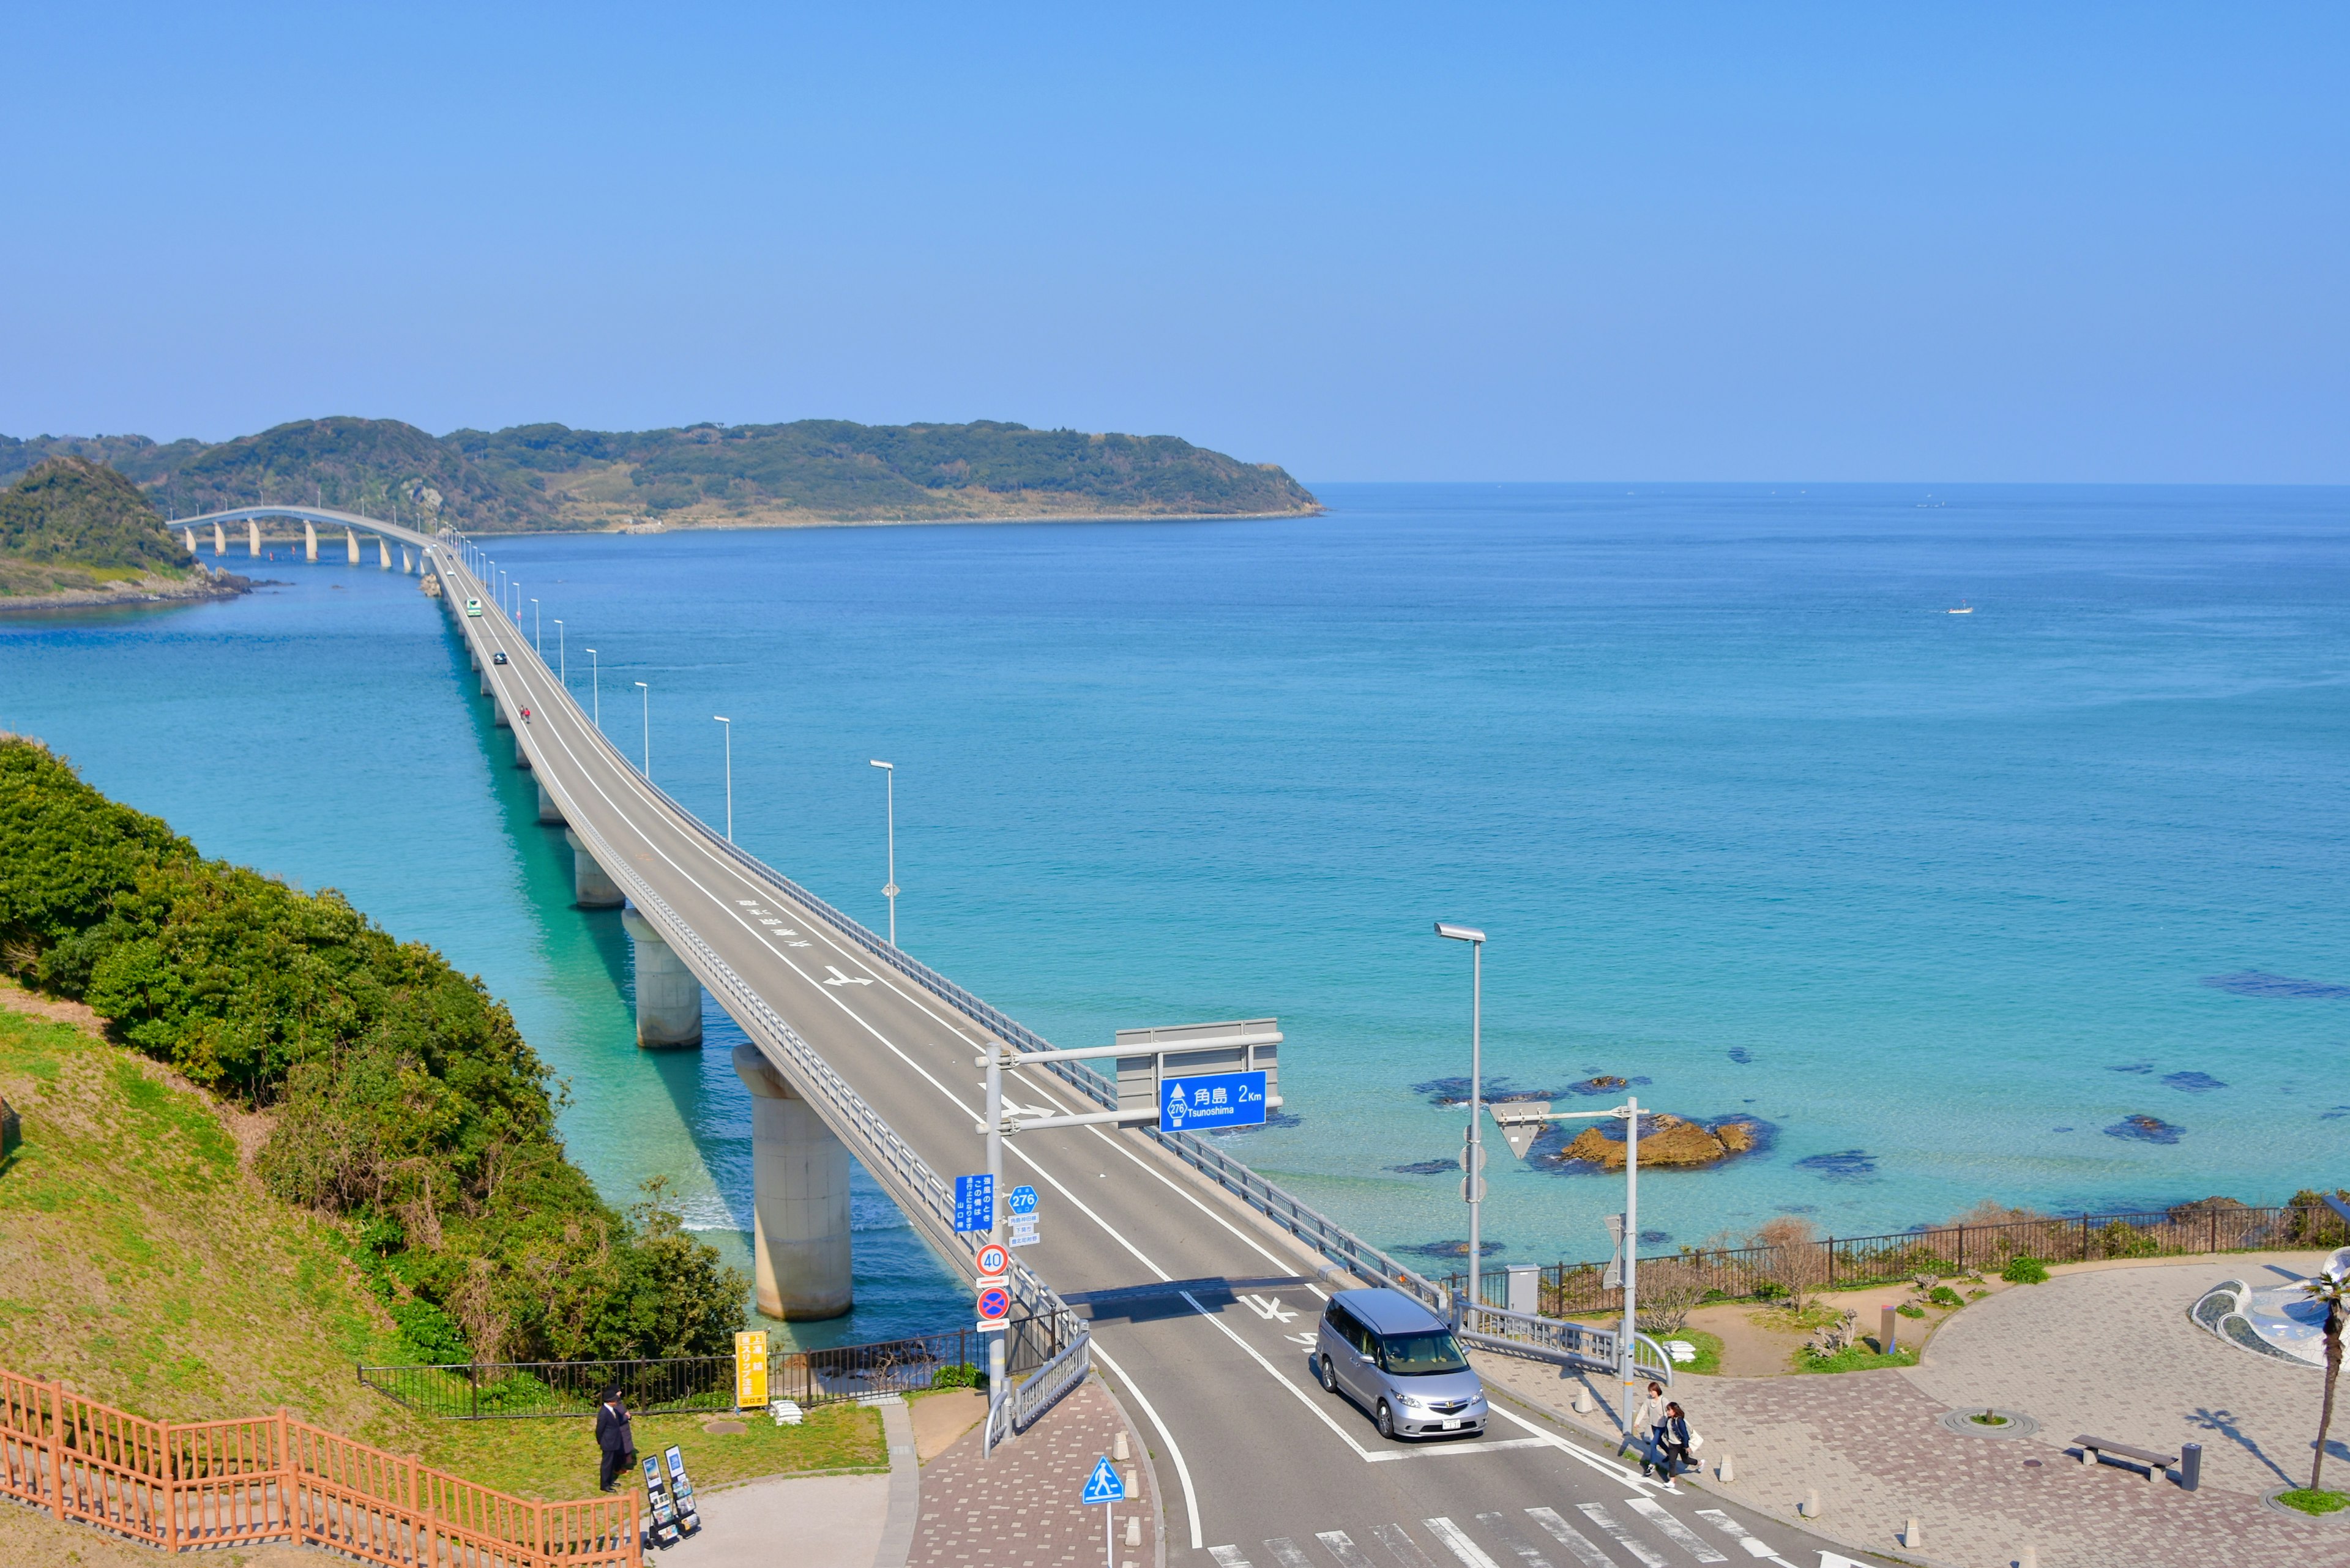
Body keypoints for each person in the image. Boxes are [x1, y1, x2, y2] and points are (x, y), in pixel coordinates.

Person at [595, 1386, 635, 1493]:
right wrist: (601, 1442)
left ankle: (610, 1481)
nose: (616, 1402)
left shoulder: (612, 1410)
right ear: (609, 1402)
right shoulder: (604, 1413)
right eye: (614, 1400)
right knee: (607, 1464)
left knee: (612, 1463)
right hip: (608, 1443)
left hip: (614, 1442)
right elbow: (599, 1430)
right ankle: (604, 1485)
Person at [1623, 1381, 1666, 1474]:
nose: (1651, 1393)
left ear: (1657, 1390)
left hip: (1661, 1426)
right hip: (1653, 1425)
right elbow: (1643, 1410)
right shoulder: (1648, 1400)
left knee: (1653, 1444)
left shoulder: (1663, 1400)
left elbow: (1670, 1411)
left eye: (1653, 1391)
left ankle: (1652, 1465)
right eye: (1650, 1391)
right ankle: (1670, 1454)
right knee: (1659, 1442)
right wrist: (1637, 1422)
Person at [1654, 1400, 1693, 1488]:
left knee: (1686, 1461)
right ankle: (1672, 1481)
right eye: (1667, 1410)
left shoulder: (1679, 1421)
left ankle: (1700, 1463)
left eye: (1669, 1410)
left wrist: (1686, 1446)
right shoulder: (1668, 1420)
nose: (1667, 1412)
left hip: (1681, 1445)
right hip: (1672, 1445)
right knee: (1672, 1462)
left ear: (1674, 1411)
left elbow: (1685, 1434)